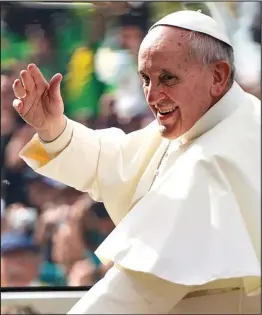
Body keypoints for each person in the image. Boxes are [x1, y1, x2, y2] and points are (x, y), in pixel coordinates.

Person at [12, 9, 260, 314]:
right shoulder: (205, 120)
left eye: (167, 78)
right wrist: (52, 129)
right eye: (145, 79)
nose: (152, 95)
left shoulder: (221, 155)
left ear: (218, 76)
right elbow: (113, 160)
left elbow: (137, 288)